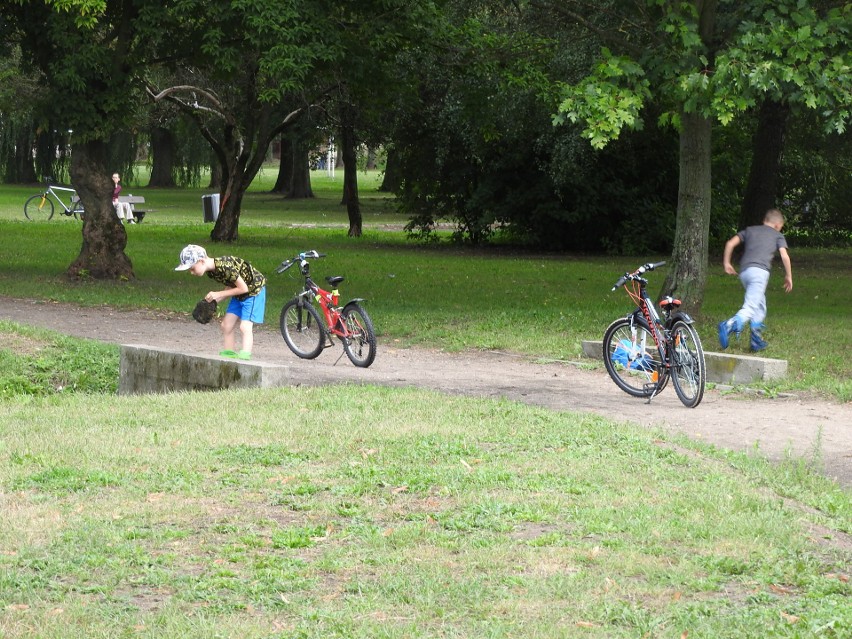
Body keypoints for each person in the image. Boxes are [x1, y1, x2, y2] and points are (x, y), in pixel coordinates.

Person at [718, 208, 793, 352]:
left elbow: (730, 244)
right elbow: (784, 256)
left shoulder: (750, 230)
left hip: (745, 272)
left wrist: (727, 263)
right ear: (778, 225)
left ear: (765, 221)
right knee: (751, 306)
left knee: (760, 304)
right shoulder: (778, 235)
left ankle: (756, 340)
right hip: (760, 273)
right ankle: (729, 324)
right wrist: (788, 275)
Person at [174, 244, 267, 360]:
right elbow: (232, 285)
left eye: (192, 268)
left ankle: (245, 357)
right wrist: (215, 300)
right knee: (226, 325)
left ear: (201, 261)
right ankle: (229, 356)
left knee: (245, 327)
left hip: (254, 291)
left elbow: (244, 288)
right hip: (239, 293)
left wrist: (218, 294)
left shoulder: (225, 267)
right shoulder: (212, 272)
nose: (192, 272)